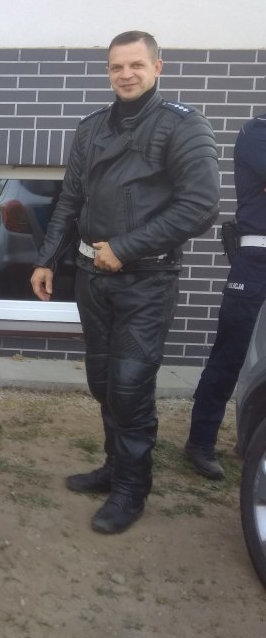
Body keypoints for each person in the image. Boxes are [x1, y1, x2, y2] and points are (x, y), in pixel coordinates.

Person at [30, 31, 220, 534]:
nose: (126, 74)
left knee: (131, 387)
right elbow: (70, 200)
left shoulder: (184, 126)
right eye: (117, 67)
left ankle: (132, 490)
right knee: (103, 381)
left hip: (147, 279)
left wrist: (127, 247)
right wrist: (47, 258)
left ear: (158, 67)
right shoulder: (92, 127)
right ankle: (115, 467)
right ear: (108, 72)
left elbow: (201, 205)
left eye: (136, 64)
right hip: (92, 277)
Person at [186, 114, 266, 479]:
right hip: (255, 264)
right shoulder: (257, 130)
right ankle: (200, 442)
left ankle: (255, 440)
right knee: (230, 355)